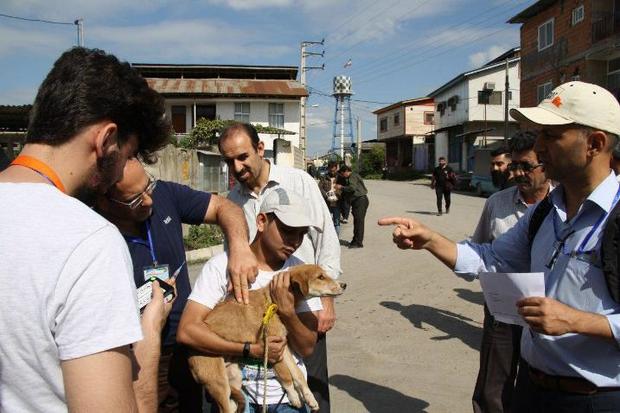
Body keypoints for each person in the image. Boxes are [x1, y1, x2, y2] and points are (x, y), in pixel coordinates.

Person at [379, 81, 620, 412]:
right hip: (532, 389)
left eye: (551, 135)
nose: (538, 145)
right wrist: (431, 239)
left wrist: (577, 321)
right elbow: (489, 258)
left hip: (596, 400)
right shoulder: (544, 212)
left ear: (595, 143)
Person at [0, 47, 172, 412]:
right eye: (128, 156)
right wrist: (150, 333)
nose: (122, 170)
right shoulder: (88, 241)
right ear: (106, 140)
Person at [96, 158, 257, 412]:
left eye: (148, 187)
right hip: (136, 357)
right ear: (105, 201)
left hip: (185, 346)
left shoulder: (165, 194)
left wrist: (239, 247)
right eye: (135, 199)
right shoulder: (95, 236)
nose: (149, 201)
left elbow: (225, 208)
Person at [218, 122, 341, 413]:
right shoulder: (232, 202)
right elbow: (232, 254)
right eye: (229, 161)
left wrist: (327, 299)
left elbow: (325, 239)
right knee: (263, 385)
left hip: (303, 305)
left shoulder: (299, 181)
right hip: (257, 313)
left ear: (260, 149)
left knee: (312, 384)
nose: (237, 167)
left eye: (243, 157)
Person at [178, 188, 321, 413]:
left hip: (287, 399)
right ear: (262, 221)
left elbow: (307, 347)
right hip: (237, 394)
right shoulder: (221, 267)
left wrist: (287, 310)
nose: (295, 241)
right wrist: (249, 349)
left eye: (302, 233)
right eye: (287, 231)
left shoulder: (300, 272)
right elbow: (187, 331)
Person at [471, 131, 552, 413]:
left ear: (545, 163)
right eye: (514, 165)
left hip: (548, 311)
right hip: (503, 308)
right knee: (494, 384)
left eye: (525, 166)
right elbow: (479, 249)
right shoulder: (497, 203)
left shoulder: (563, 205)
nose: (517, 173)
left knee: (539, 383)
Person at [338, 164, 369, 249]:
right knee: (357, 222)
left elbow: (352, 188)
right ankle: (355, 240)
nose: (342, 176)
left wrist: (341, 187)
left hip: (360, 200)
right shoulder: (350, 177)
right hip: (357, 201)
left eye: (342, 173)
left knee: (359, 222)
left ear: (346, 171)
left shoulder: (353, 176)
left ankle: (358, 242)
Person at [319, 160, 342, 236]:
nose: (332, 171)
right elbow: (320, 188)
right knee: (327, 221)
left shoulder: (340, 177)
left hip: (337, 202)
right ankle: (328, 238)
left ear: (336, 168)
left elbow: (344, 188)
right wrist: (326, 195)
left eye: (334, 169)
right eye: (331, 169)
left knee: (336, 221)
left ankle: (336, 239)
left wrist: (338, 195)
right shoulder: (324, 177)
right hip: (327, 202)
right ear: (328, 168)